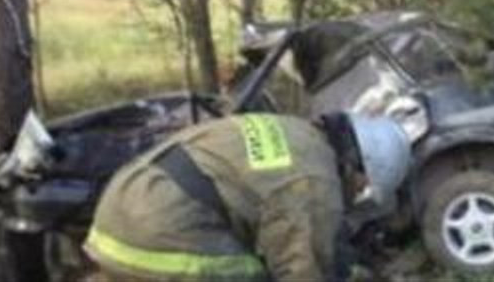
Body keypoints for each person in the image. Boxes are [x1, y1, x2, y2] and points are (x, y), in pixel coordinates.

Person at [83, 112, 411, 281]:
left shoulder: (295, 131)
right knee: (258, 275)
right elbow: (301, 271)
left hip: (115, 217)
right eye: (363, 188)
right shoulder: (314, 180)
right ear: (361, 169)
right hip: (159, 236)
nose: (356, 195)